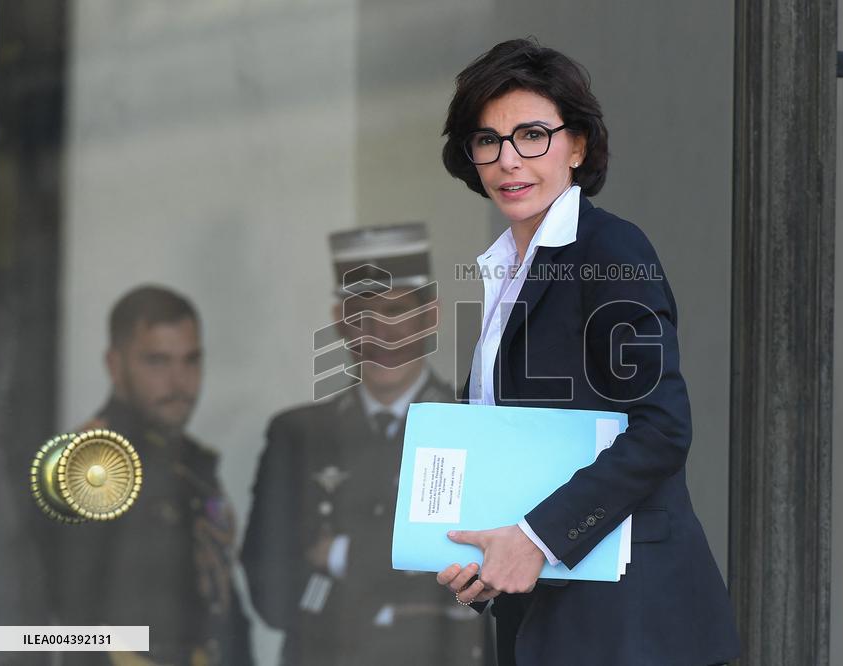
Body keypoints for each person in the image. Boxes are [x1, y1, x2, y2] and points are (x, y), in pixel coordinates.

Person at [435, 38, 741, 665]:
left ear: (577, 146)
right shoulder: (506, 271)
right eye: (488, 140)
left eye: (532, 135)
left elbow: (661, 428)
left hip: (631, 618)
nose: (508, 160)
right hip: (547, 611)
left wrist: (535, 539)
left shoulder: (611, 250)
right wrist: (488, 551)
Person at [241, 223, 490, 666]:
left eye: (397, 311)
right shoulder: (297, 435)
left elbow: (489, 580)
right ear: (341, 321)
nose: (381, 332)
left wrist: (340, 555)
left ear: (430, 316)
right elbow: (271, 592)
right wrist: (415, 567)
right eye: (363, 315)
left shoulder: (474, 428)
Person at [47, 285, 253, 666]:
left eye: (191, 361)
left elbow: (221, 600)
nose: (179, 382)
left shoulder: (193, 464)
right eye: (157, 362)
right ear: (115, 365)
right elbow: (59, 621)